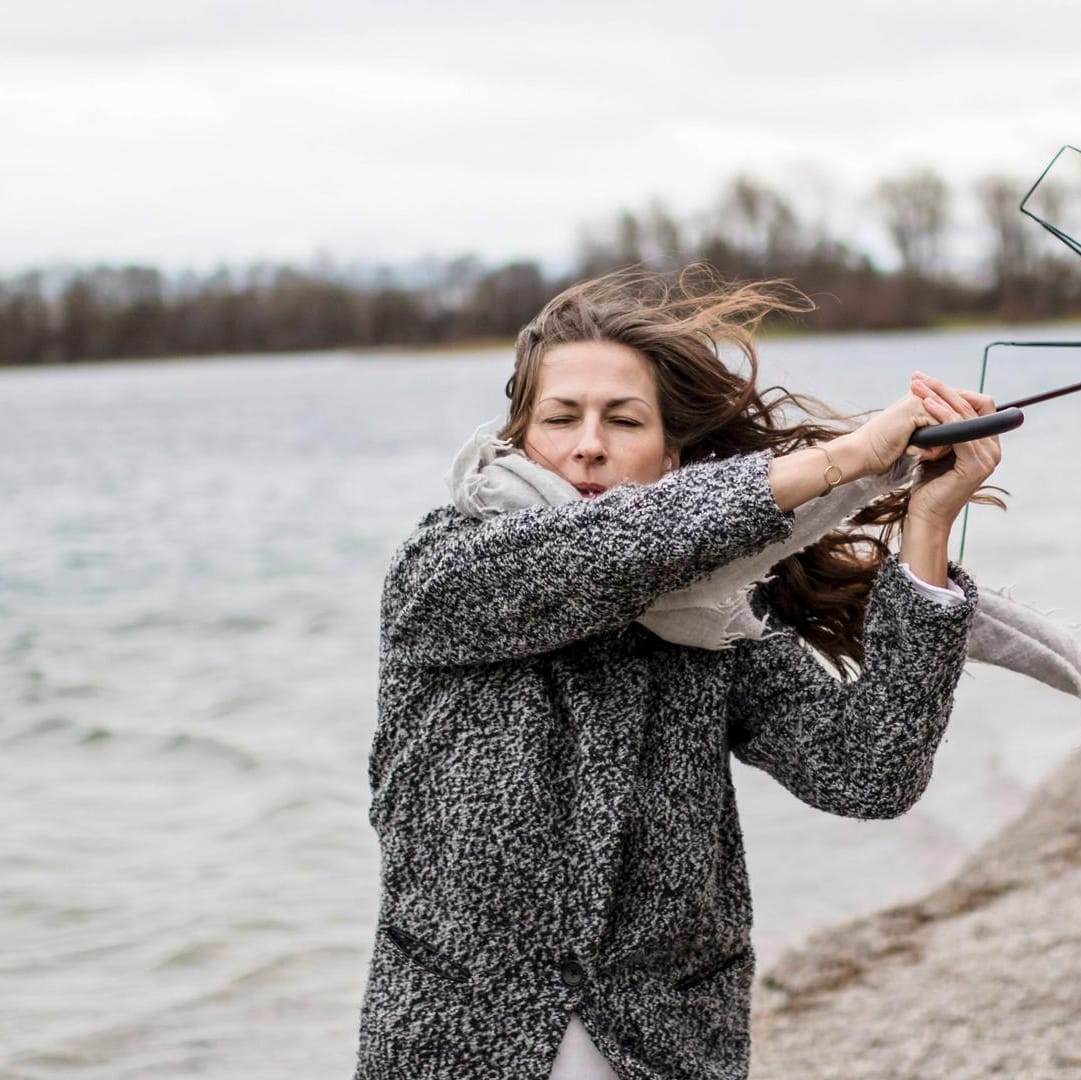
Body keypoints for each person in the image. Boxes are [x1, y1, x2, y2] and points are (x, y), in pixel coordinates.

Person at [353, 266, 1003, 1080]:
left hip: (667, 1045)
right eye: (561, 417)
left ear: (672, 459)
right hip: (453, 1043)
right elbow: (605, 552)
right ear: (519, 438)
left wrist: (928, 528)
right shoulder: (445, 568)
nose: (588, 443)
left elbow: (868, 773)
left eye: (623, 420)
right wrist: (842, 462)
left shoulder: (716, 614)